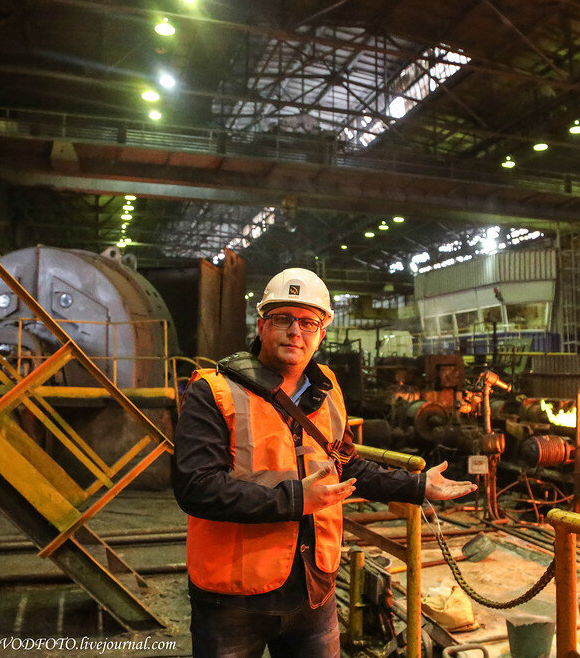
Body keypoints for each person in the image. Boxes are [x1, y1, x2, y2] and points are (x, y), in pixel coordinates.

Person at [172, 267, 476, 657]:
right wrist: (296, 500)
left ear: (322, 333)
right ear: (262, 325)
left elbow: (345, 467)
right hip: (233, 600)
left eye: (308, 322)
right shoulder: (213, 392)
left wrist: (416, 486)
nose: (295, 331)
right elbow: (196, 488)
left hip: (314, 590)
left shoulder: (327, 388)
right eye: (283, 318)